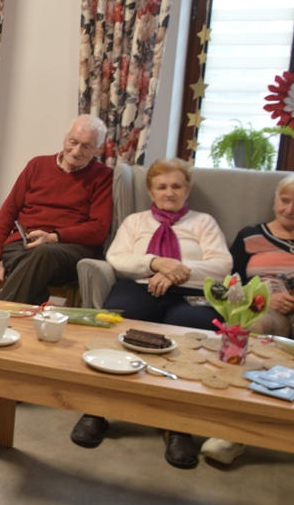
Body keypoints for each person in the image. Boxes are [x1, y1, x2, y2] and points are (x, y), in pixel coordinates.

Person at [70, 158, 232, 469]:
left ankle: (179, 426)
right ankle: (98, 410)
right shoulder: (135, 222)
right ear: (151, 191)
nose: (169, 192)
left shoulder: (203, 222)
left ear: (188, 190)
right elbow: (116, 258)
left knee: (191, 331)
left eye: (176, 186)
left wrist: (175, 272)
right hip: (139, 286)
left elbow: (222, 265)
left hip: (191, 293)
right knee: (120, 324)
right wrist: (155, 263)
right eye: (162, 186)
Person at [201, 173, 294, 465]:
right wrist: (262, 298)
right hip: (261, 308)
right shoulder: (250, 235)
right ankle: (232, 434)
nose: (289, 209)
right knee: (250, 336)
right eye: (284, 200)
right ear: (275, 200)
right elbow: (229, 283)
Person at [0, 115, 113, 305]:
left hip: (68, 250)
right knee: (34, 265)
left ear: (98, 149)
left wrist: (53, 237)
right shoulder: (37, 165)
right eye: (73, 142)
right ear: (65, 138)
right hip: (21, 245)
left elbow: (98, 229)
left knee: (43, 254)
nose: (76, 151)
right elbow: (9, 211)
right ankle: (26, 318)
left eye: (86, 146)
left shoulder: (103, 177)